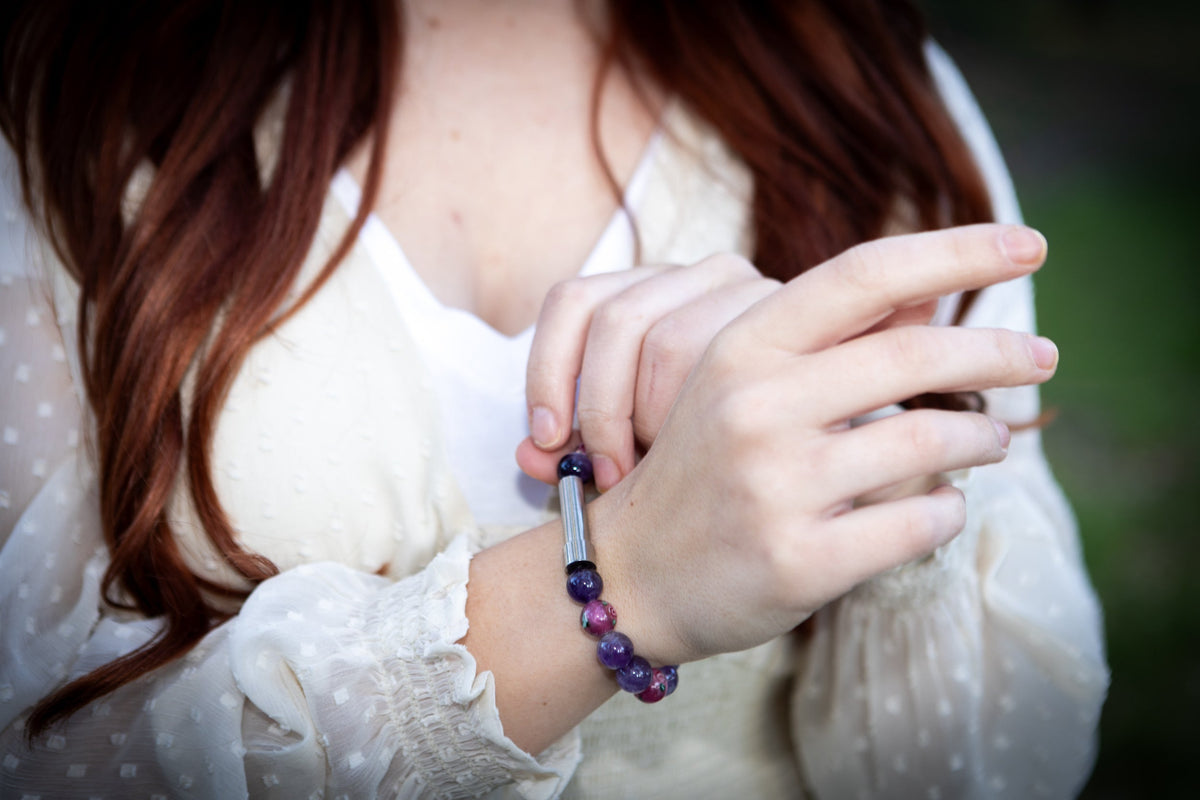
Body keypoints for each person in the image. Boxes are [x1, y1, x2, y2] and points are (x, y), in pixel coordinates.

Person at [0, 1, 1108, 797]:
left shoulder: (861, 91)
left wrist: (874, 467)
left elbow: (999, 764)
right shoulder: (66, 114)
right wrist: (624, 580)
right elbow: (35, 755)